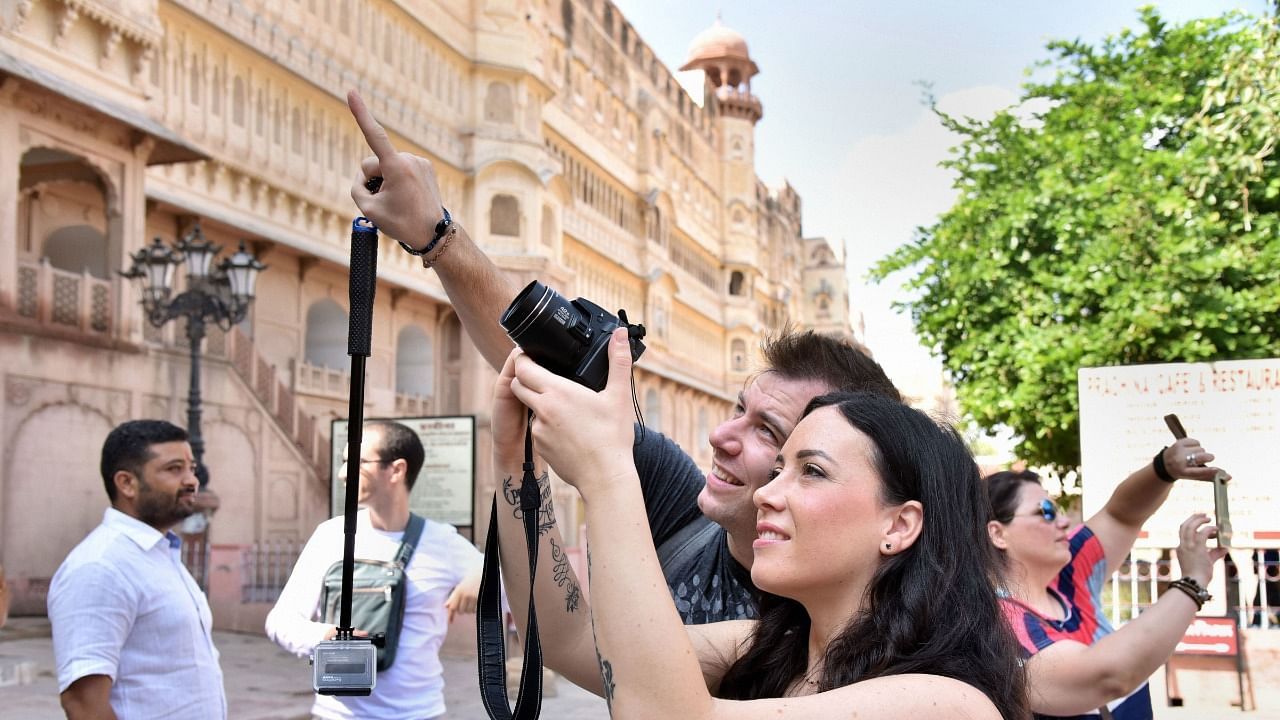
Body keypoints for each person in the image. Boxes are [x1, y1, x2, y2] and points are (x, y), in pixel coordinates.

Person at [345, 90, 900, 623]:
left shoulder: (870, 650)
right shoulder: (685, 515)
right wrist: (436, 237)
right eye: (739, 411)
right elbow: (568, 645)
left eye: (770, 434)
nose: (721, 437)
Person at [488, 330, 1027, 718]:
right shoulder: (771, 646)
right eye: (777, 468)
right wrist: (515, 460)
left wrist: (609, 474)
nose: (768, 493)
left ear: (900, 525)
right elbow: (570, 641)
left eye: (811, 470)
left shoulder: (946, 702)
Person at [986, 440, 1228, 720]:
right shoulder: (999, 624)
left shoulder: (1067, 576)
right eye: (1046, 512)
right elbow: (1108, 676)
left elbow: (1121, 515)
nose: (1063, 521)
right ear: (998, 534)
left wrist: (1164, 468)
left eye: (1059, 510)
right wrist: (1192, 583)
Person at [265, 420, 483, 720]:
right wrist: (327, 635)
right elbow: (281, 620)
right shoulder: (331, 536)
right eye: (343, 462)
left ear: (396, 470)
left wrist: (486, 572)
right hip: (336, 714)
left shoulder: (443, 542)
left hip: (419, 713)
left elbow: (519, 594)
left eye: (356, 463)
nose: (343, 474)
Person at [47, 419, 226, 720]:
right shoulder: (101, 566)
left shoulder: (159, 554)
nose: (192, 480)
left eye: (191, 468)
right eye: (174, 469)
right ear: (127, 483)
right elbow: (82, 703)